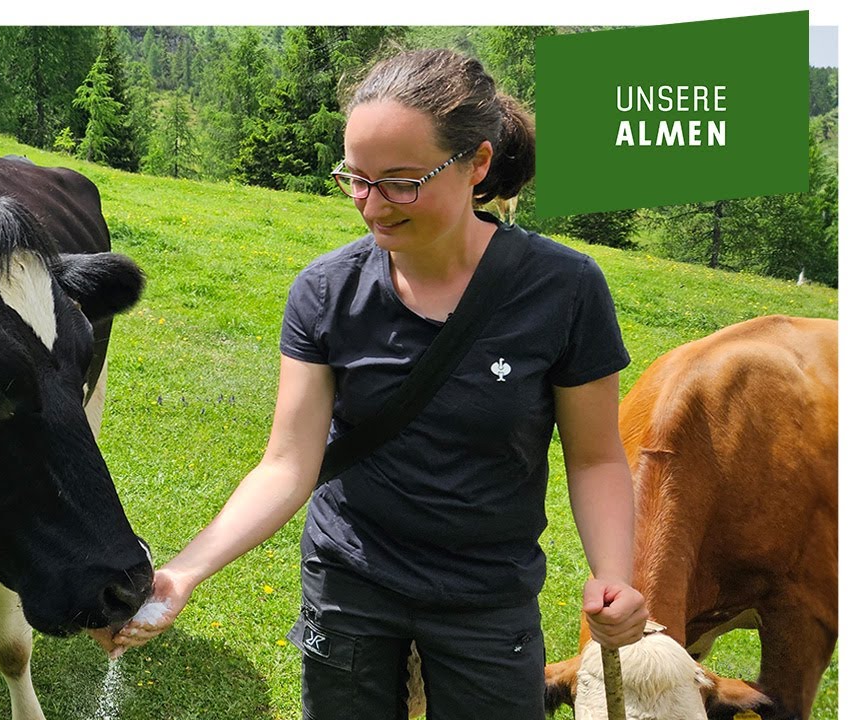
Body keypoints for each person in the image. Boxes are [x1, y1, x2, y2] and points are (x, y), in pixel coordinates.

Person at [106, 48, 648, 718]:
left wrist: (615, 575)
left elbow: (595, 458)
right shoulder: (326, 292)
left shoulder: (563, 291)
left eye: (399, 182)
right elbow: (287, 463)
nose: (370, 206)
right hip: (351, 587)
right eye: (354, 179)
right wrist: (186, 569)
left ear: (477, 164)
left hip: (486, 598)